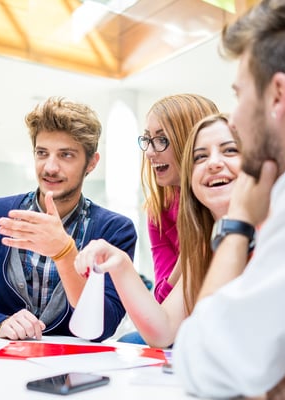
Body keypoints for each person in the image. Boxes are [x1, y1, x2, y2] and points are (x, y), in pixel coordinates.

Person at [174, 0, 285, 397]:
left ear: (277, 95)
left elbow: (199, 360)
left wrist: (237, 224)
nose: (233, 117)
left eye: (239, 93)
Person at [0, 96, 136, 341]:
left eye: (66, 155)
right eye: (42, 153)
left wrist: (64, 252)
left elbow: (104, 325)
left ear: (91, 163)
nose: (50, 167)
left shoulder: (115, 230)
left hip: (76, 369)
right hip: (3, 364)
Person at [75, 114, 242, 347]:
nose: (213, 163)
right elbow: (164, 330)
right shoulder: (203, 244)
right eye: (200, 156)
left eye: (230, 151)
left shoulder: (275, 230)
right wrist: (120, 263)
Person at [140, 94, 219, 304]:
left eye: (162, 140)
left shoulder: (223, 201)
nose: (149, 152)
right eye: (148, 139)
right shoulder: (158, 211)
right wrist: (190, 251)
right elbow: (161, 301)